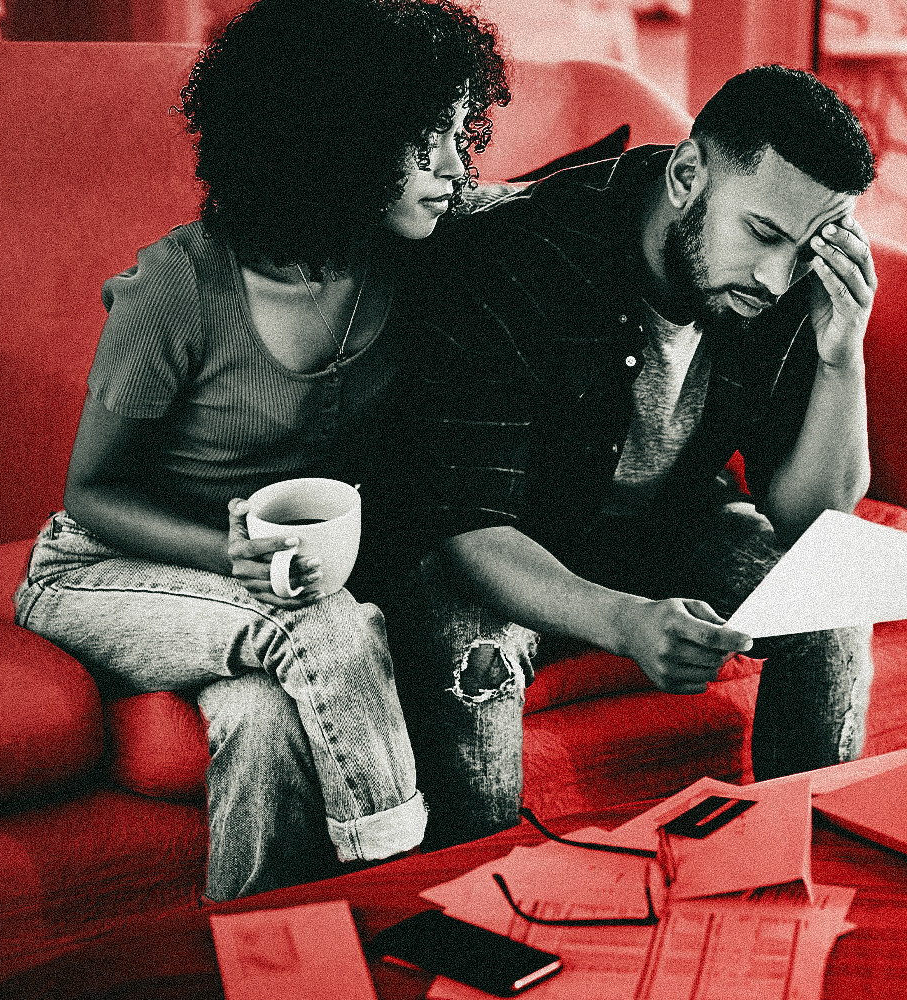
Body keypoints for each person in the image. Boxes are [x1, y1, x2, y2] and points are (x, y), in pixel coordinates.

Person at [12, 0, 509, 900]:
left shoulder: (421, 252)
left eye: (458, 132)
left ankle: (260, 960)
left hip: (267, 586)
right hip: (103, 572)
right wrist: (228, 555)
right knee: (327, 627)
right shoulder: (178, 289)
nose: (454, 166)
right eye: (421, 141)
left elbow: (568, 208)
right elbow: (91, 493)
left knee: (263, 720)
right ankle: (403, 892)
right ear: (333, 144)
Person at [372, 65, 879, 847]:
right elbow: (469, 528)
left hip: (665, 524)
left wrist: (843, 357)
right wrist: (626, 622)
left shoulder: (785, 286)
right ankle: (476, 898)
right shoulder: (519, 255)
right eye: (763, 235)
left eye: (809, 248)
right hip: (513, 546)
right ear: (686, 176)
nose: (778, 276)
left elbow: (813, 519)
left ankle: (789, 865)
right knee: (466, 646)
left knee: (830, 595)